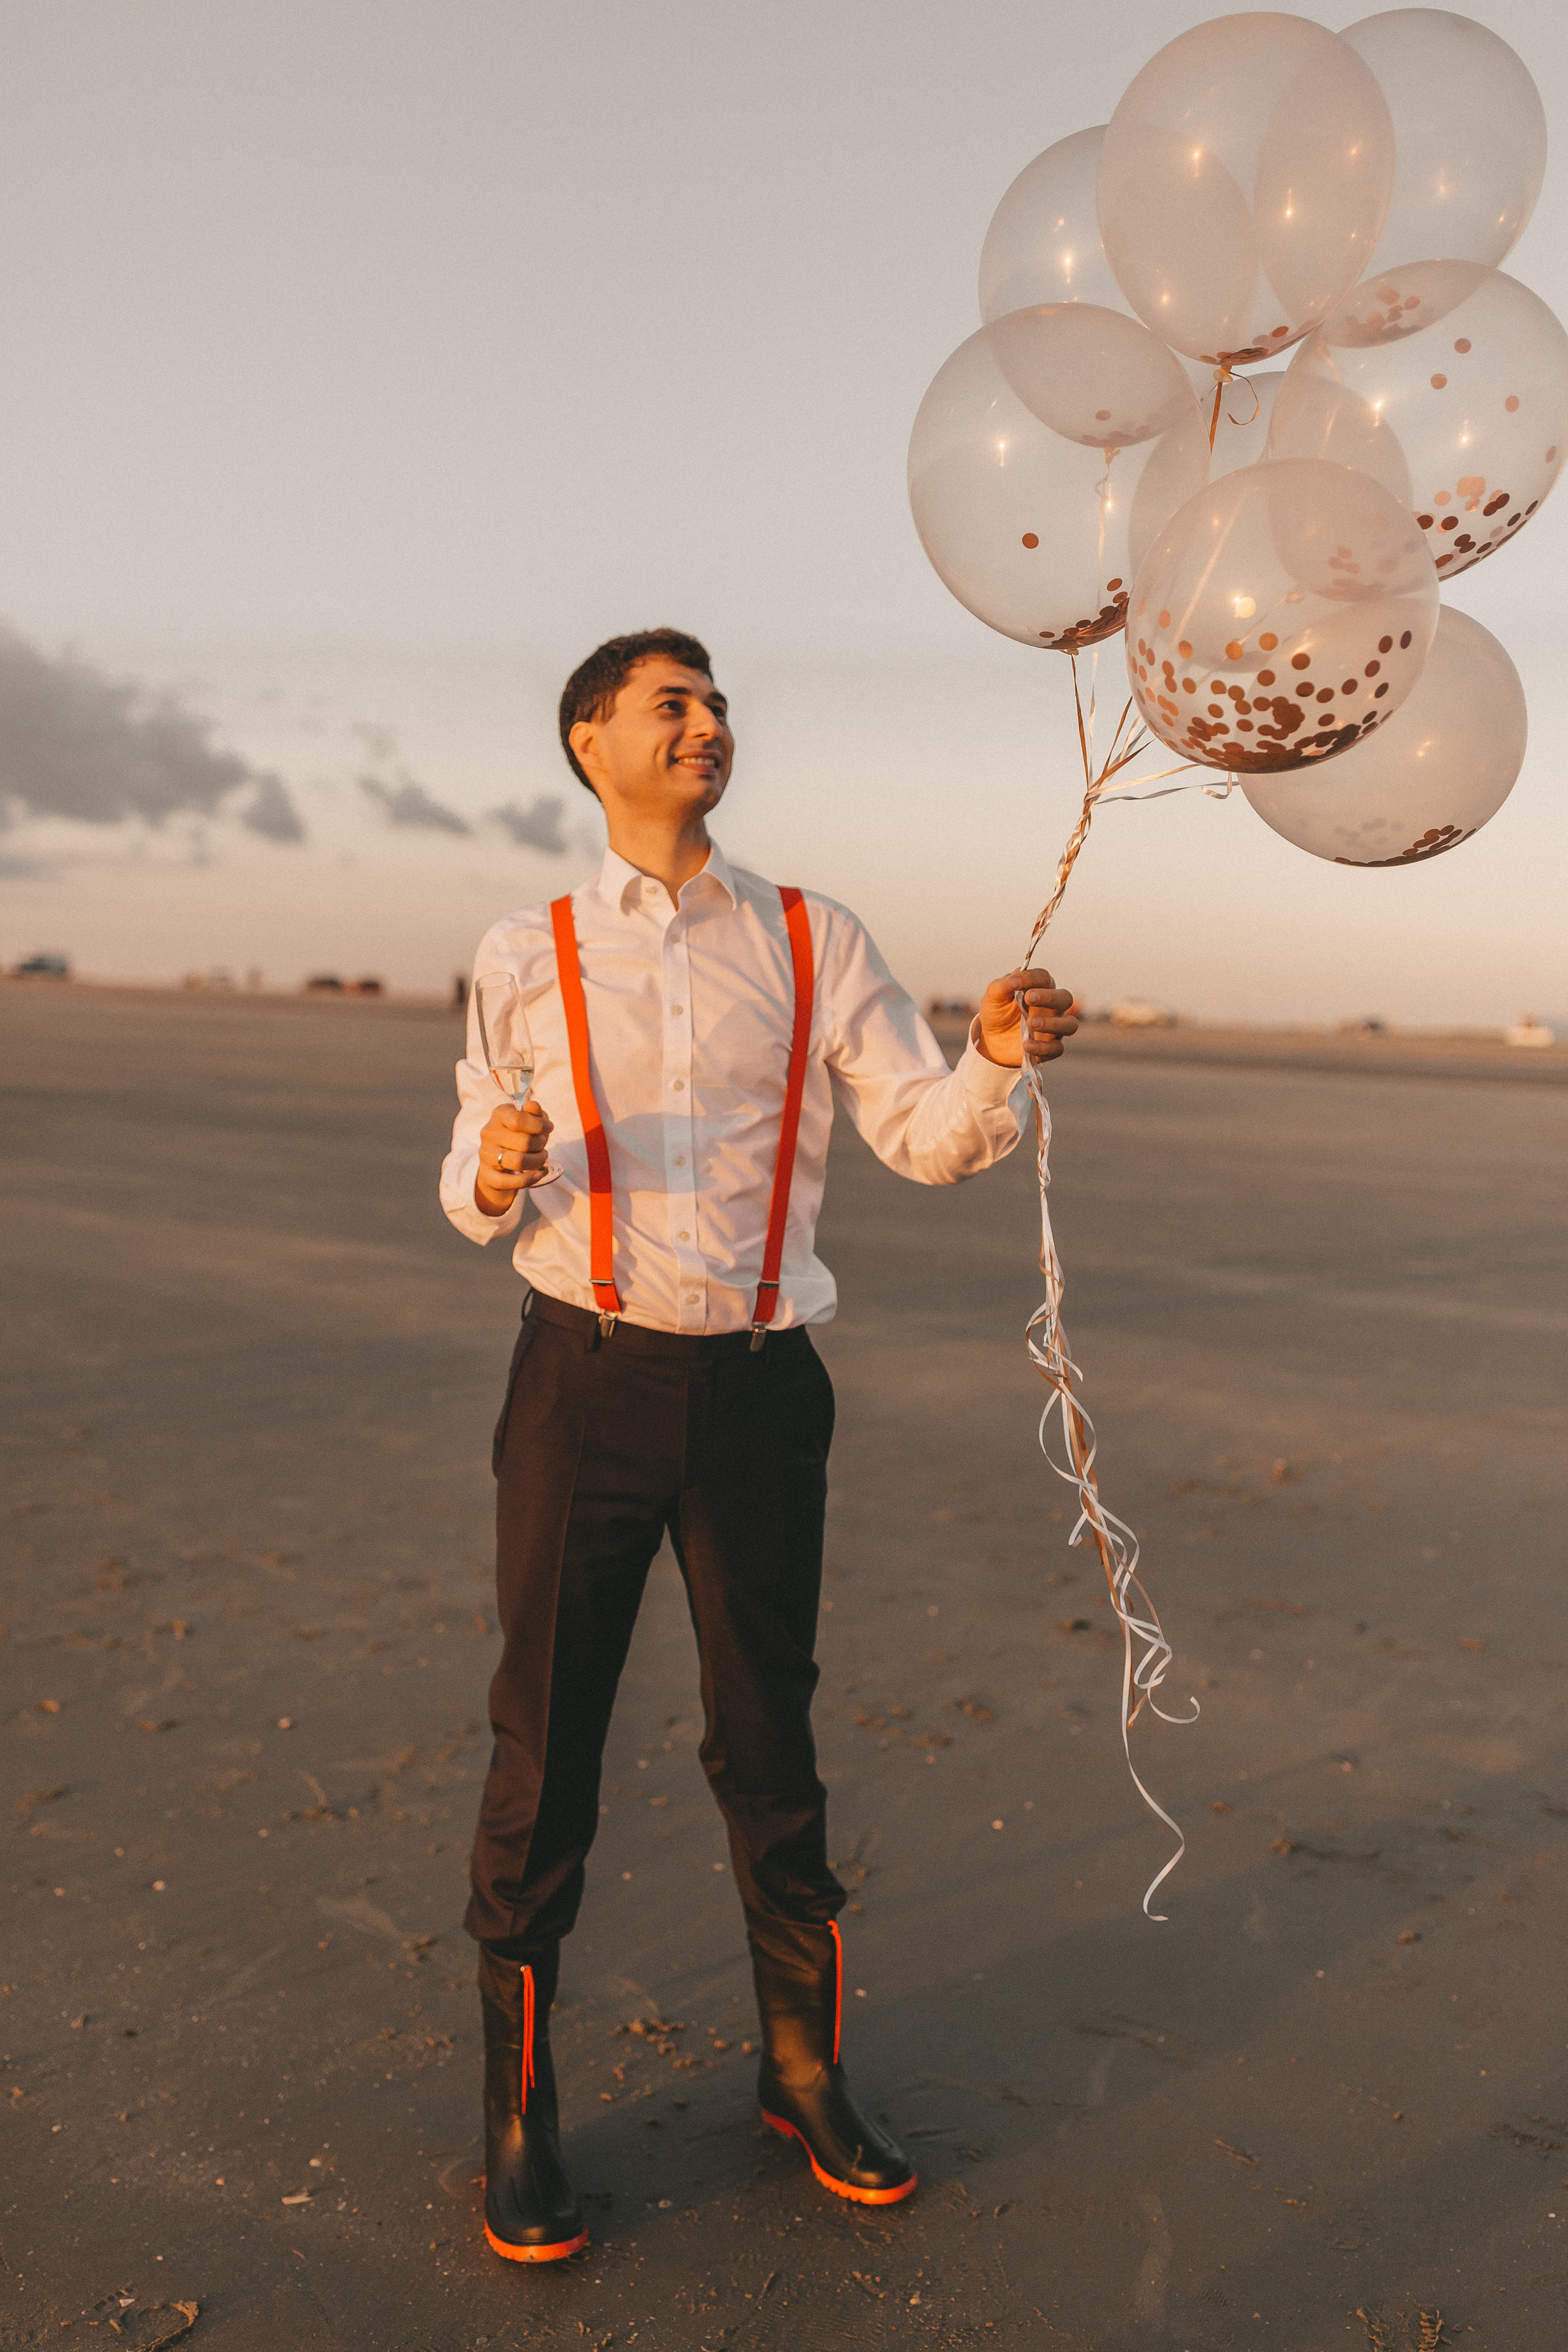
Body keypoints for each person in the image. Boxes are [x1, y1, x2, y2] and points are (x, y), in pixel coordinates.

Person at [440, 627, 1077, 2264]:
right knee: (545, 1744)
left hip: (761, 1393)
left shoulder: (812, 934)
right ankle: (518, 2121)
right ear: (592, 742)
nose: (707, 722)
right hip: (580, 1385)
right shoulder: (527, 947)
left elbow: (926, 1137)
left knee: (768, 1738)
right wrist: (499, 1161)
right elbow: (465, 1177)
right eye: (672, 703)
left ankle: (805, 2076)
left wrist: (991, 1058)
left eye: (717, 702)